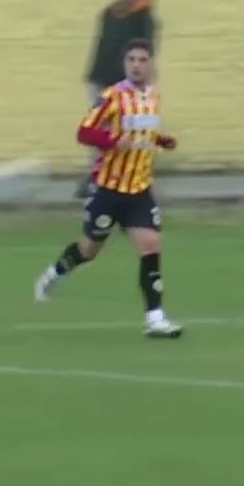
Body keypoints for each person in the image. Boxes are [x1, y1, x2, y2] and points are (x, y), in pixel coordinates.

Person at [35, 39, 182, 338]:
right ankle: (56, 272)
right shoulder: (112, 97)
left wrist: (161, 140)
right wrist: (113, 142)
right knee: (89, 249)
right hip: (109, 189)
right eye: (132, 60)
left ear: (150, 64)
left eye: (142, 60)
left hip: (139, 189)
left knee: (151, 246)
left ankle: (155, 318)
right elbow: (84, 132)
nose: (137, 65)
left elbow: (144, 132)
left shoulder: (153, 96)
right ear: (125, 63)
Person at [79, 0, 155, 198]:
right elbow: (102, 47)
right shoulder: (107, 15)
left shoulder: (140, 19)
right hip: (102, 80)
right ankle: (96, 177)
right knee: (98, 131)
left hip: (126, 85)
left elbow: (147, 44)